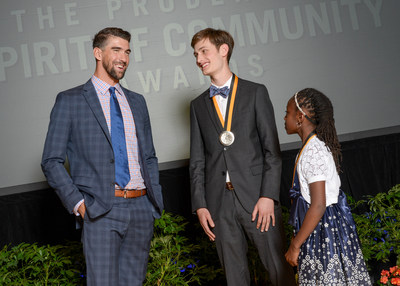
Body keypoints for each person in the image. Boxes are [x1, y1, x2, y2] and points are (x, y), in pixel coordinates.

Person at [41, 27, 163, 286]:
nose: (124, 57)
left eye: (127, 51)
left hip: (141, 208)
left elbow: (149, 157)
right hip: (101, 210)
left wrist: (153, 203)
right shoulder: (70, 100)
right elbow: (51, 160)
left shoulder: (137, 101)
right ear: (98, 53)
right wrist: (79, 204)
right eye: (116, 50)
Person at [189, 28, 296, 286]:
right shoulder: (198, 105)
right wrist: (201, 204)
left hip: (258, 200)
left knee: (278, 271)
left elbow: (272, 151)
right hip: (219, 205)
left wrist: (268, 196)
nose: (199, 59)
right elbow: (197, 161)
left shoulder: (255, 92)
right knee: (234, 278)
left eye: (204, 51)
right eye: (195, 54)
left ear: (223, 50)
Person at [284, 88, 372, 285]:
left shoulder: (314, 151)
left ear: (300, 117)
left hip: (324, 230)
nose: (284, 118)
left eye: (287, 112)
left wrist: (295, 245)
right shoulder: (309, 148)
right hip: (318, 228)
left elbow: (318, 205)